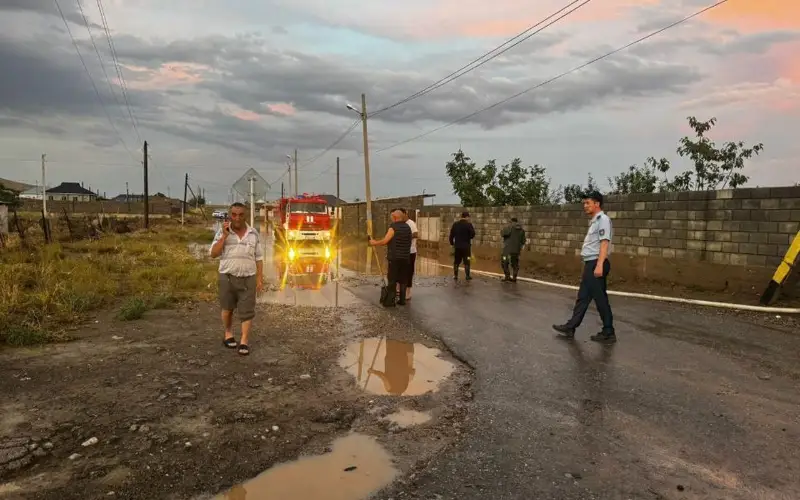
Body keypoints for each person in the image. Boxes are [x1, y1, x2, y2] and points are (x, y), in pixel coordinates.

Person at [552, 191, 616, 344]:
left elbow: (604, 243)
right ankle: (571, 326)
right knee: (583, 297)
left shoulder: (603, 220)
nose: (585, 206)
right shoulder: (594, 221)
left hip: (596, 263)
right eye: (584, 203)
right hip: (591, 263)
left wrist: (599, 265)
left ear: (597, 204)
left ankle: (608, 331)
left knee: (600, 298)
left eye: (588, 203)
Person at [209, 202, 264, 356]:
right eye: (234, 214)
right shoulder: (222, 233)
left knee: (247, 311)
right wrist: (224, 237)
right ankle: (228, 334)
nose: (237, 218)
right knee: (227, 309)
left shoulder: (253, 233)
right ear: (230, 215)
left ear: (245, 215)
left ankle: (244, 341)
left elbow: (259, 258)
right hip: (227, 277)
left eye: (240, 214)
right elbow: (213, 254)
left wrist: (260, 278)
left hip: (248, 278)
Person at [369, 209, 412, 306]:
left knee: (392, 279)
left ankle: (390, 301)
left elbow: (385, 241)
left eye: (392, 217)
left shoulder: (393, 228)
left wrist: (374, 243)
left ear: (395, 217)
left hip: (394, 258)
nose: (391, 219)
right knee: (403, 280)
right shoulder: (408, 227)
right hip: (405, 258)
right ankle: (402, 301)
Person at [398, 208, 419, 300]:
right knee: (400, 270)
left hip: (410, 251)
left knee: (409, 272)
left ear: (405, 214)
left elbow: (416, 234)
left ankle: (408, 292)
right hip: (401, 251)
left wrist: (405, 237)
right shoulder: (400, 223)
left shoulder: (411, 223)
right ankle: (399, 289)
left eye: (401, 214)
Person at [449, 211, 475, 280]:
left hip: (457, 246)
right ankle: (467, 276)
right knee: (467, 261)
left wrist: (452, 243)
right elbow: (473, 234)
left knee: (456, 261)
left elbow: (451, 235)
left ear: (461, 216)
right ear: (467, 217)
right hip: (466, 247)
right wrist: (468, 237)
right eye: (468, 217)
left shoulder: (455, 224)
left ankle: (455, 276)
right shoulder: (469, 225)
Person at [501, 217, 526, 282]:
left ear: (511, 222)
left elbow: (502, 233)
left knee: (504, 262)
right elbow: (523, 241)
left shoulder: (509, 228)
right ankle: (514, 277)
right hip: (516, 251)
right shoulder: (522, 230)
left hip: (507, 251)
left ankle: (507, 276)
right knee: (515, 263)